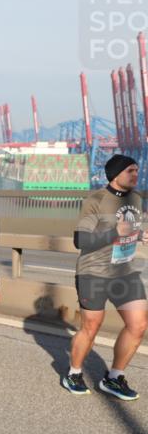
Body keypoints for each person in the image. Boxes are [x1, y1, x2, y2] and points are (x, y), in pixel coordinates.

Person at [63, 154, 145, 399]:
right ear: (116, 174)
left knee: (138, 325)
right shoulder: (96, 200)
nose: (135, 175)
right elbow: (81, 240)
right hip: (94, 273)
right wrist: (113, 232)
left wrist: (139, 235)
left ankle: (114, 378)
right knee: (91, 326)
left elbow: (130, 229)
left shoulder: (136, 199)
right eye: (130, 170)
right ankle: (74, 373)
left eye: (137, 170)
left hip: (125, 272)